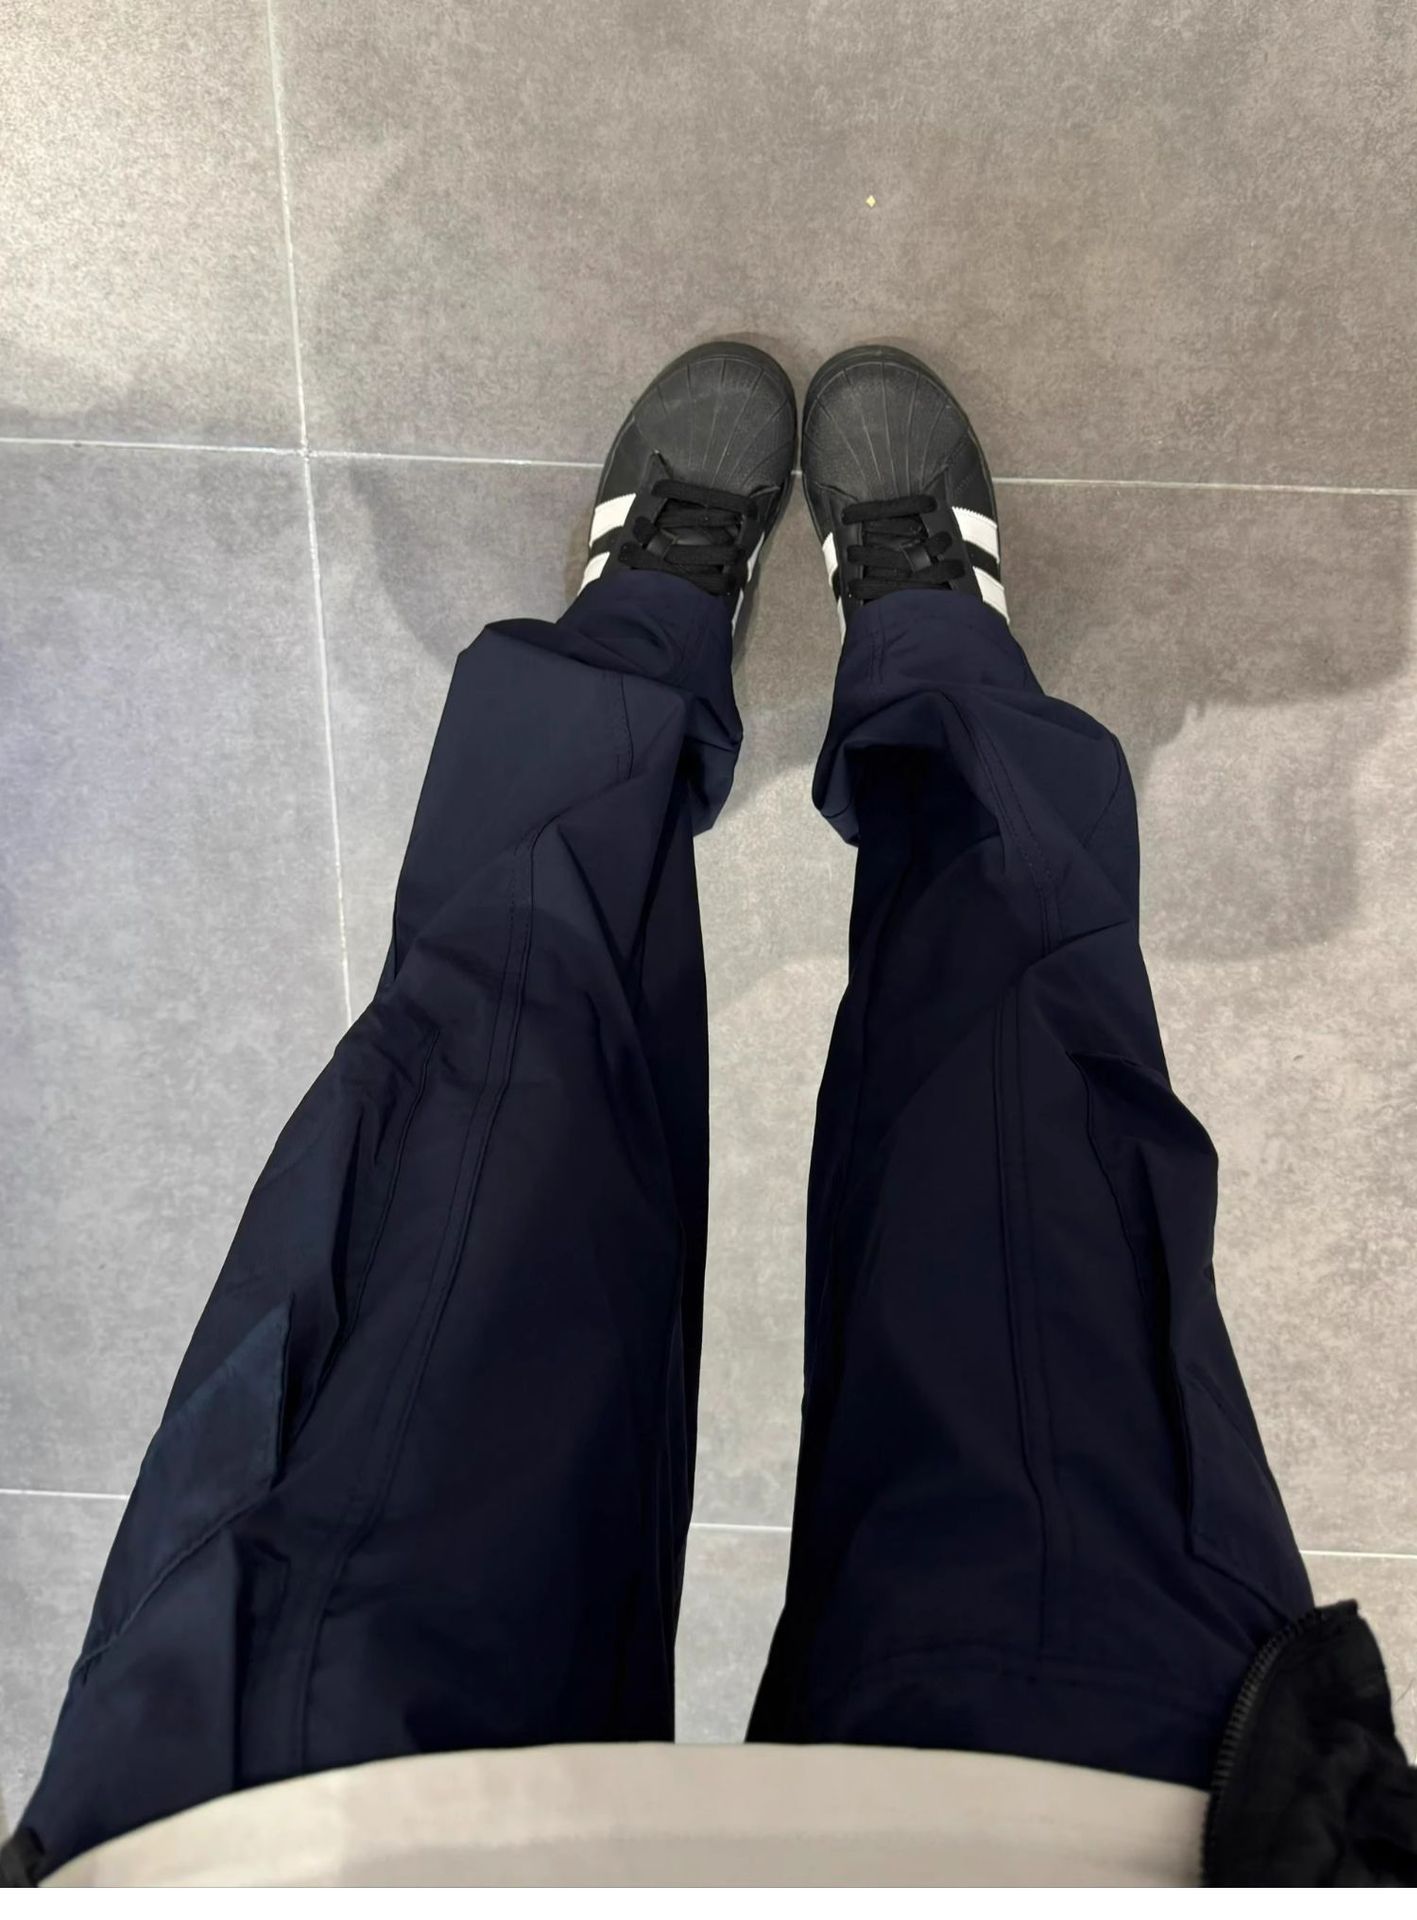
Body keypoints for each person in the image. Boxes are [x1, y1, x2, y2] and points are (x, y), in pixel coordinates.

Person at [4, 343, 1413, 1889]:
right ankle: (940, 658)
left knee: (487, 1088)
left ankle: (642, 632)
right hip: (1135, 1836)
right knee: (1031, 1107)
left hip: (276, 1855)